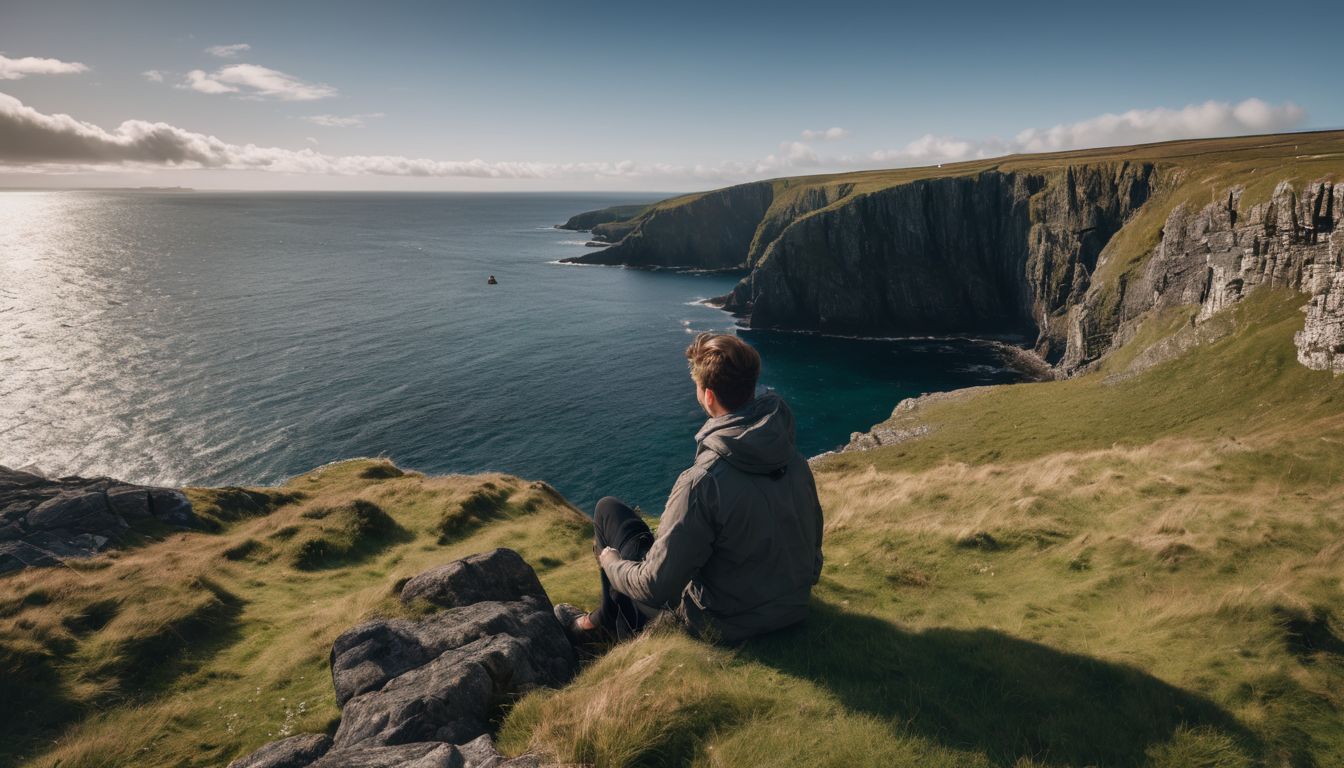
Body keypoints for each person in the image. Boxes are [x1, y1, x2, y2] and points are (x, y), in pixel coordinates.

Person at [555, 332, 824, 645]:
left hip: (723, 623)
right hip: (792, 606)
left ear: (708, 396)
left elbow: (656, 589)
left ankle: (603, 627)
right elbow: (813, 545)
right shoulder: (793, 458)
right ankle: (600, 619)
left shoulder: (703, 481)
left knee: (607, 512)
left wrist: (610, 561)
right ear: (751, 387)